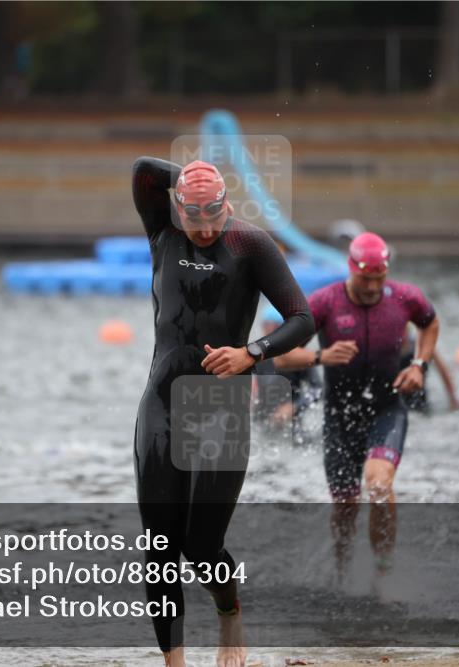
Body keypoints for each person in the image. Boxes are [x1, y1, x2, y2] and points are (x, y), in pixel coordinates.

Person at [132, 156, 314, 667]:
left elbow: (303, 319)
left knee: (203, 545)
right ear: (178, 210)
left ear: (227, 204)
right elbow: (143, 169)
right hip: (162, 402)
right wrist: (192, 173)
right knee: (161, 547)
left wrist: (252, 353)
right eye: (195, 216)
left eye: (214, 213)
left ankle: (229, 610)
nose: (207, 227)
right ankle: (175, 662)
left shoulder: (249, 243)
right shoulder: (163, 232)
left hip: (221, 405)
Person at [273, 232, 439, 577]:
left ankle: (384, 571)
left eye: (380, 278)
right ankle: (343, 571)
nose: (373, 286)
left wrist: (419, 365)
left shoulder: (405, 298)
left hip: (386, 409)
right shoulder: (324, 303)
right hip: (339, 416)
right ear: (351, 268)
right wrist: (322, 355)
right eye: (366, 278)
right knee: (346, 507)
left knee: (379, 485)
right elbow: (282, 358)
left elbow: (430, 324)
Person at [253, 306, 323, 439]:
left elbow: (318, 390)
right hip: (263, 428)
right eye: (267, 325)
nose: (270, 330)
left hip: (292, 430)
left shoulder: (298, 357)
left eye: (275, 326)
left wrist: (294, 407)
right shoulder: (257, 357)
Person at [398, 324, 459, 413]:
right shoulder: (389, 350)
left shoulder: (422, 347)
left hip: (421, 403)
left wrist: (453, 399)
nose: (400, 335)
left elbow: (443, 372)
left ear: (408, 330)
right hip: (397, 404)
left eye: (402, 330)